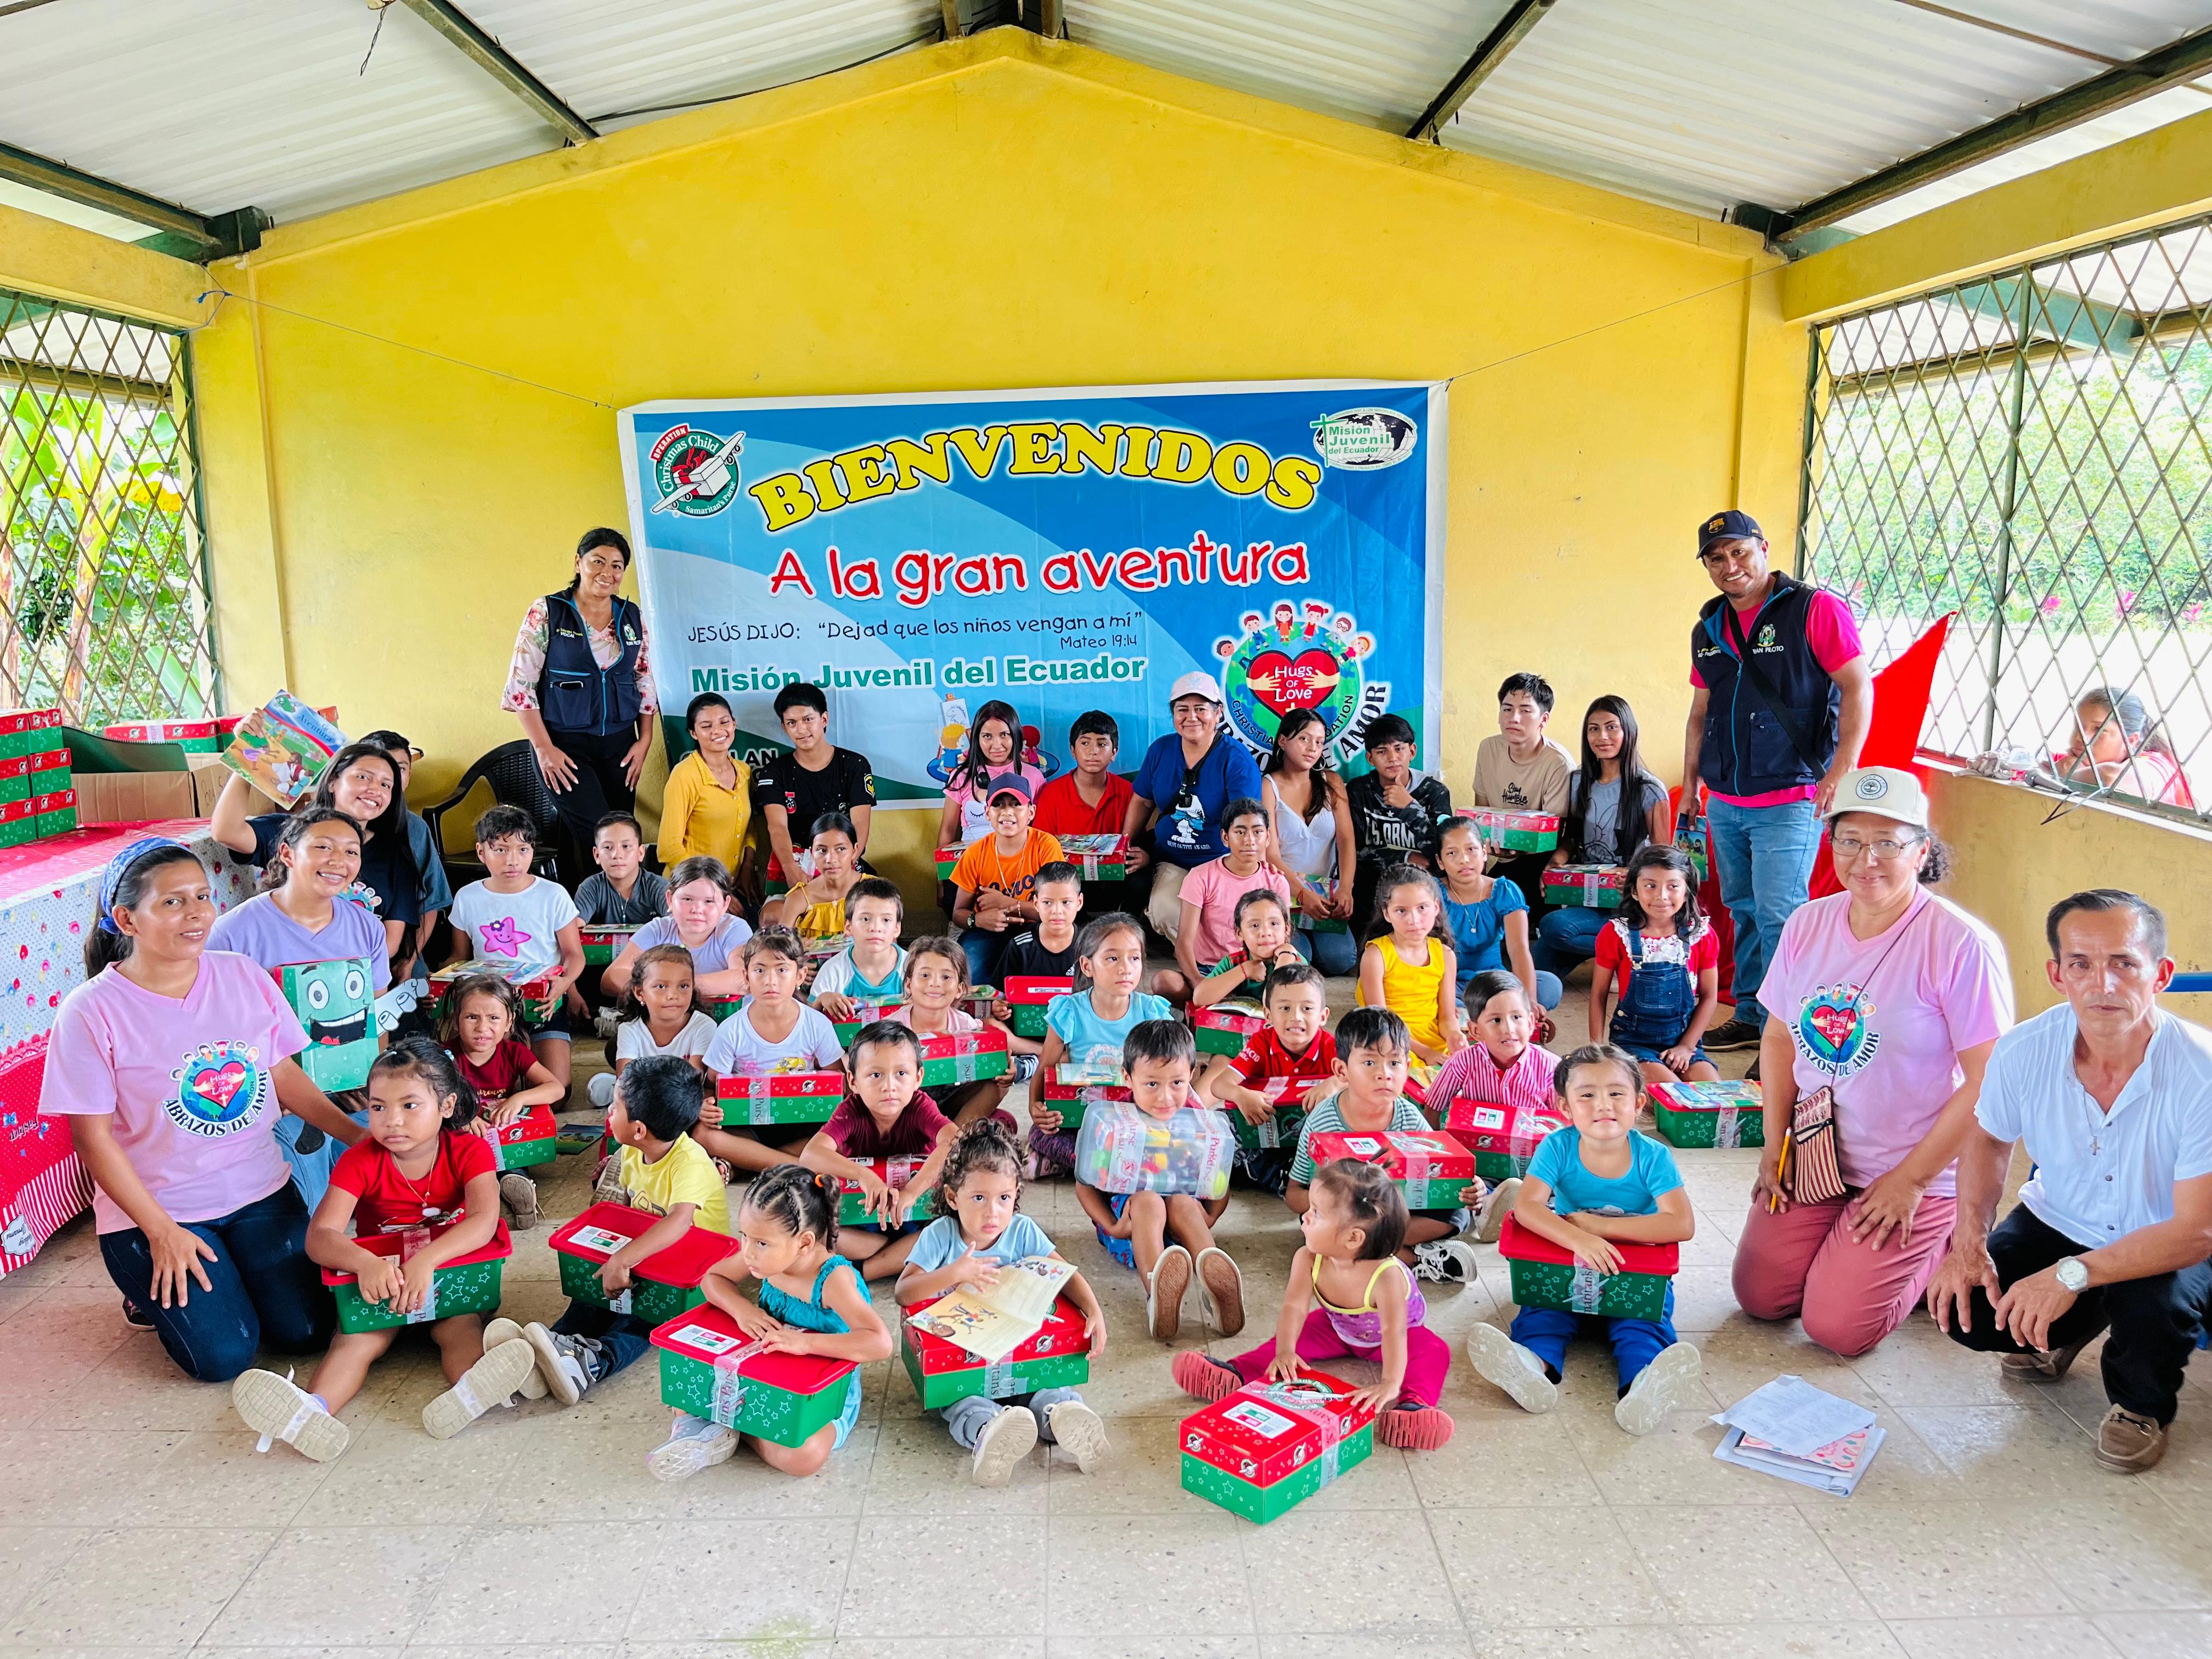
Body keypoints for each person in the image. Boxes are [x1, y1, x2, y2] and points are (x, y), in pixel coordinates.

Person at [39, 839, 364, 1381]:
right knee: (224, 1358)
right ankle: (146, 1289)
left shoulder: (241, 974)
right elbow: (92, 1140)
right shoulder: (91, 1011)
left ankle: (234, 1275)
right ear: (127, 919)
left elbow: (282, 1074)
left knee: (306, 1331)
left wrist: (357, 1136)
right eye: (172, 902)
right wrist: (161, 1232)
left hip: (260, 1191)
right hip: (160, 1211)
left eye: (202, 896)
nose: (196, 913)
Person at [1927, 891, 2212, 1474]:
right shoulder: (2024, 1049)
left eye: (2124, 963)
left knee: (2152, 1309)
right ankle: (2068, 1326)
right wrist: (1968, 1241)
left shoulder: (2202, 1072)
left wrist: (2071, 1274)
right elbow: (1988, 1138)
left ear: (2160, 974)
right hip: (2061, 1218)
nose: (2102, 983)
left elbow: (2196, 1232)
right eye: (2081, 963)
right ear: (2058, 975)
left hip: (2167, 1237)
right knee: (1972, 1307)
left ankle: (2140, 1407)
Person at [1732, 766, 2012, 1358]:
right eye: (1851, 841)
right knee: (1761, 1296)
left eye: (1888, 842)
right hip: (1819, 1152)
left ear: (1922, 852)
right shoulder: (1808, 923)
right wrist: (1775, 1145)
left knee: (1836, 1329)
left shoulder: (1959, 943)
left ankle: (1940, 1234)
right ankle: (1852, 1254)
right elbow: (1779, 1039)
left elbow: (1991, 1080)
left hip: (1912, 1164)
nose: (1868, 860)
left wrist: (1911, 1182)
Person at [230, 1039, 536, 1462]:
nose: (392, 1120)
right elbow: (320, 1236)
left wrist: (427, 1261)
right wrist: (364, 1263)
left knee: (460, 1329)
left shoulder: (469, 1149)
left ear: (447, 1106)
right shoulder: (360, 1159)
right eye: (378, 1107)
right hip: (382, 1285)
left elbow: (484, 1221)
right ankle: (310, 1413)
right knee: (355, 1342)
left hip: (446, 1277)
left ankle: (470, 1393)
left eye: (410, 1106)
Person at [1681, 510, 1872, 1052]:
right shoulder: (1709, 628)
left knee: (1780, 917)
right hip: (1725, 800)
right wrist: (1692, 784)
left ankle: (1782, 1035)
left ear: (1763, 548)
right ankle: (1750, 1013)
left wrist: (1843, 767)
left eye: (1739, 551)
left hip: (1791, 797)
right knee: (1741, 909)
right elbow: (1700, 713)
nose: (1729, 565)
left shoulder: (1813, 609)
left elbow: (1858, 686)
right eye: (1716, 558)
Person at [1464, 1043, 1705, 1436]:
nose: (1603, 1105)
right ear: (1565, 1107)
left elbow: (1681, 1224)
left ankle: (1643, 1386)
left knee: (1642, 1326)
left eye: (1616, 1093)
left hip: (1634, 1273)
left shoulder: (1653, 1156)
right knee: (1543, 1313)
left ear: (1639, 1102)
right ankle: (1531, 1367)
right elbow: (1528, 1207)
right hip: (1570, 1265)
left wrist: (1598, 1228)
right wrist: (1579, 1239)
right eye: (1587, 1095)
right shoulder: (1557, 1146)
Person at [1172, 1157, 1456, 1448]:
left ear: (1353, 1238)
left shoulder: (1387, 1276)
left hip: (1402, 1335)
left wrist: (1390, 1382)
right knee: (1294, 1339)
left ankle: (1414, 1407)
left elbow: (1393, 1331)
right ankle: (1235, 1372)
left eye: (1316, 1213)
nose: (1305, 1217)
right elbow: (1294, 1307)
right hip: (1336, 1328)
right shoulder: (1308, 1258)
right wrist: (1285, 1350)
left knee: (1435, 1351)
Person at [895, 1118, 1110, 1485]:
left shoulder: (1022, 1231)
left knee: (1046, 1390)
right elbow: (904, 1292)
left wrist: (1094, 1311)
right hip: (962, 1361)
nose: (992, 1212)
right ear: (953, 1197)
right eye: (979, 1198)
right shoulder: (941, 1236)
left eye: (1004, 1198)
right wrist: (954, 1273)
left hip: (1018, 1354)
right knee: (963, 1404)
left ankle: (1063, 1417)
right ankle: (990, 1432)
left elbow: (1065, 1275)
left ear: (1016, 1196)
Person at [656, 1163, 893, 1480]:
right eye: (744, 1236)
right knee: (682, 1396)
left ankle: (727, 1429)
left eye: (761, 1243)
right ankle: (726, 1425)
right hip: (765, 1372)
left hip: (818, 1392)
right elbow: (713, 1279)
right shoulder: (766, 1254)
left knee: (803, 1456)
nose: (748, 1252)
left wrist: (804, 1343)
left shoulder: (834, 1279)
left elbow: (879, 1342)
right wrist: (744, 1310)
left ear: (804, 1243)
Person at [520, 1056, 732, 1408]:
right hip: (655, 1258)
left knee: (642, 1318)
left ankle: (592, 1363)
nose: (609, 1112)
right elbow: (631, 1213)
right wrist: (616, 1259)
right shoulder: (633, 1151)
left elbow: (679, 1222)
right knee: (593, 1294)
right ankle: (550, 1347)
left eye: (616, 1107)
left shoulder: (690, 1162)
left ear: (639, 1130)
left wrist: (623, 1260)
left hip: (695, 1274)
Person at [207, 808, 391, 1209]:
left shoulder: (368, 927)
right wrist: (274, 1096)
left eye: (351, 851)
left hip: (353, 1092)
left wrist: (375, 1084)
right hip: (277, 1100)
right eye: (323, 847)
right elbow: (215, 1031)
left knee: (383, 1195)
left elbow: (377, 1016)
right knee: (310, 1204)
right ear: (288, 854)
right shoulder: (234, 932)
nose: (339, 861)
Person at [504, 527, 658, 879]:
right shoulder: (548, 611)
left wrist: (645, 740)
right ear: (579, 563)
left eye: (617, 566)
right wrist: (544, 749)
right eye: (598, 562)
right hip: (564, 747)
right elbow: (521, 687)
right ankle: (596, 911)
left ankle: (619, 910)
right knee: (601, 837)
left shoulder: (631, 615)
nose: (608, 572)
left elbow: (644, 679)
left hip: (621, 746)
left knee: (623, 835)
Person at [1287, 1008, 1479, 1285]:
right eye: (1370, 1062)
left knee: (1457, 1211)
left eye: (1394, 1063)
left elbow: (1442, 1169)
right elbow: (1294, 1194)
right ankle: (1415, 1259)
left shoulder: (1410, 1117)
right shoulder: (1323, 1122)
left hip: (1398, 1213)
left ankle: (1375, 1251)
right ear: (1342, 1070)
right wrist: (1331, 1203)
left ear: (1407, 1068)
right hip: (1347, 1219)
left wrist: (1470, 1187)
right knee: (1324, 1228)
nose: (1384, 1074)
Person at [1080, 1020, 1243, 1342]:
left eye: (1177, 1083)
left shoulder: (1198, 1120)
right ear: (1128, 1077)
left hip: (1182, 1222)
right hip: (1131, 1226)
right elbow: (1085, 1184)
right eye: (1152, 1084)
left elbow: (1218, 1180)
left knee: (1184, 1203)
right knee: (1149, 1201)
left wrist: (1210, 1216)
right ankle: (1158, 1293)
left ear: (1192, 1074)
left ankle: (1215, 1284)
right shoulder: (1114, 1121)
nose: (1165, 1098)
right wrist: (1111, 1226)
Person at [211, 740, 421, 974]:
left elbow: (387, 945)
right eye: (363, 777)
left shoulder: (395, 855)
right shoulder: (293, 831)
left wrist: (330, 977)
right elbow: (226, 831)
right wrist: (246, 754)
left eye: (386, 784)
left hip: (353, 981)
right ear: (332, 782)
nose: (375, 789)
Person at [444, 806, 585, 1093]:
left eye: (523, 850)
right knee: (485, 1091)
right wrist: (438, 986)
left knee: (557, 1093)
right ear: (481, 852)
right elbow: (459, 957)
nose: (513, 860)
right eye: (501, 850)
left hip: (543, 1003)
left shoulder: (553, 894)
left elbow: (573, 954)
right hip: (489, 1007)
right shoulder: (468, 897)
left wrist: (565, 984)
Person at [800, 1021, 956, 1281]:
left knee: (950, 1228)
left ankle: (866, 1271)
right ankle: (894, 1256)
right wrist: (865, 1176)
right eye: (876, 1075)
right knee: (810, 1233)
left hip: (917, 1215)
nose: (889, 1086)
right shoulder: (852, 1110)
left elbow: (955, 1142)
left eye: (901, 1074)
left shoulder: (920, 1106)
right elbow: (810, 1155)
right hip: (866, 1217)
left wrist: (912, 1192)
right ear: (853, 1081)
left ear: (918, 1078)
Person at [1122, 672, 1263, 944]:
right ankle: (1207, 956)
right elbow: (1142, 800)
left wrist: (1247, 872)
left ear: (1218, 713)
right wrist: (1125, 844)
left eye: (1201, 708)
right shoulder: (1160, 750)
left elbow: (1247, 822)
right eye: (1182, 709)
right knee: (1166, 911)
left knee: (1223, 917)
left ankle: (1215, 957)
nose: (1191, 717)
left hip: (1221, 863)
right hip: (1171, 860)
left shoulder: (1236, 759)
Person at [1028, 912, 1174, 1175]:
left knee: (1165, 1140)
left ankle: (1092, 1164)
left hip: (1136, 1116)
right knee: (1041, 1134)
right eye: (1112, 958)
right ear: (1087, 966)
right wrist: (1036, 1108)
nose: (1126, 968)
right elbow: (1045, 1068)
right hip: (1084, 1119)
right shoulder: (1070, 1011)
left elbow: (1172, 1070)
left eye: (1134, 958)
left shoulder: (1151, 1012)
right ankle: (1116, 1165)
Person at [1537, 696, 1672, 977]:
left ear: (1628, 731)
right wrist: (1557, 860)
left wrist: (1635, 876)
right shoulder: (1578, 781)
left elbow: (1664, 860)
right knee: (1537, 967)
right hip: (1587, 897)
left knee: (1555, 927)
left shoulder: (1649, 789)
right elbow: (1573, 836)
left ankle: (1641, 947)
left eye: (1612, 727)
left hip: (1629, 903)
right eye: (1594, 729)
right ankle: (1621, 954)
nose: (1602, 737)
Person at [1425, 969, 1559, 1240]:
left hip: (1532, 1165)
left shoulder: (1550, 1068)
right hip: (1480, 1165)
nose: (1508, 1029)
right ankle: (1490, 1209)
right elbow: (1433, 1110)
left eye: (1517, 1017)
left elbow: (1562, 1126)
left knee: (1556, 1185)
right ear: (1476, 1030)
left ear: (1531, 1022)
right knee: (1468, 1191)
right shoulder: (1463, 1063)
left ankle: (1522, 1207)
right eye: (1496, 1020)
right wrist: (1445, 1160)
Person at [700, 928, 847, 1174]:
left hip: (802, 1122)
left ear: (800, 975)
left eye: (781, 970)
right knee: (703, 1134)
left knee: (846, 1135)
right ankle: (798, 1166)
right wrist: (706, 1106)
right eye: (760, 970)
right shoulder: (731, 1030)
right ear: (746, 976)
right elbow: (712, 1086)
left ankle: (747, 1164)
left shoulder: (817, 1024)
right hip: (749, 1126)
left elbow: (838, 1084)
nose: (770, 980)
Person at [436, 972, 565, 1229]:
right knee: (455, 1154)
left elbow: (556, 1088)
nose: (482, 1028)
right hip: (463, 1137)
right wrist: (461, 1118)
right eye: (472, 1017)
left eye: (493, 1018)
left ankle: (516, 1187)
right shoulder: (445, 1056)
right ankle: (484, 1191)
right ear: (456, 1019)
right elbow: (431, 1101)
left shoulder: (514, 1052)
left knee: (512, 1156)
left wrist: (519, 1098)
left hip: (500, 1139)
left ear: (509, 1022)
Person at [1589, 846, 1722, 1087]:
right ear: (1634, 891)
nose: (1661, 896)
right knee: (1673, 1095)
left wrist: (1686, 1047)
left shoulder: (1702, 934)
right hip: (1634, 1043)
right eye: (1650, 885)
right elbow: (1598, 995)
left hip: (1684, 1041)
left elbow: (1710, 996)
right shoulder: (1615, 934)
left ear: (1686, 891)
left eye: (1673, 886)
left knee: (1716, 1094)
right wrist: (1598, 1052)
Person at [1205, 960, 1337, 1199]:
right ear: (1269, 1015)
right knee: (1218, 1126)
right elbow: (1219, 1085)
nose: (1296, 1018)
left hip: (1314, 1138)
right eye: (1285, 1008)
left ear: (1323, 1016)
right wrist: (1241, 1096)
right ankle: (1282, 1175)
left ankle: (1273, 1173)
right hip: (1267, 1131)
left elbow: (1361, 1079)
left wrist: (1336, 1083)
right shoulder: (1261, 1043)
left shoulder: (1332, 1047)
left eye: (1307, 1009)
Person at [1469, 673, 1575, 921]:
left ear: (1544, 719)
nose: (1514, 718)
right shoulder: (1488, 749)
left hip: (1539, 859)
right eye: (1507, 709)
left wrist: (1516, 852)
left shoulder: (1558, 763)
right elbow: (1481, 815)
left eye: (1526, 711)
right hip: (1503, 856)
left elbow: (1554, 836)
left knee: (1505, 908)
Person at [1261, 707, 1358, 975]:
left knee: (1341, 959)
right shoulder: (1268, 786)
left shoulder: (1331, 782)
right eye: (1304, 739)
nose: (1312, 748)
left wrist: (1346, 888)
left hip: (1326, 896)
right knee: (1297, 960)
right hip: (1283, 895)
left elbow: (1346, 840)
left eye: (1319, 741)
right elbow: (1271, 855)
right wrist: (1303, 894)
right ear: (1283, 741)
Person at [887, 936, 1018, 1132]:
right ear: (908, 985)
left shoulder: (967, 1025)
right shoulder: (891, 1029)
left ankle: (952, 1141)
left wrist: (1005, 1071)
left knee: (998, 1084)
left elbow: (989, 1068)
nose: (935, 983)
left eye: (946, 977)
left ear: (960, 989)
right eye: (925, 975)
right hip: (907, 1104)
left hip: (951, 1100)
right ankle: (934, 1136)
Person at [751, 681, 876, 887]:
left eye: (808, 719)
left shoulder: (855, 765)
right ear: (784, 727)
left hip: (846, 865)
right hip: (795, 868)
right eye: (792, 723)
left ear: (824, 719)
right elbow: (777, 827)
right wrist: (790, 869)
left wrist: (847, 864)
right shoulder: (774, 772)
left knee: (874, 903)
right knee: (775, 909)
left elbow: (860, 824)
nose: (801, 729)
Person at [1169, 797, 1292, 1001]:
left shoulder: (1276, 881)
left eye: (1258, 832)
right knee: (1165, 982)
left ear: (1268, 837)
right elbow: (1184, 941)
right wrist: (1199, 983)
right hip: (1210, 969)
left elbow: (1284, 937)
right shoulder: (1200, 876)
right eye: (1240, 832)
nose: (1249, 841)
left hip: (1258, 968)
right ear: (1225, 837)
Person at [357, 729, 453, 992]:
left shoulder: (415, 830)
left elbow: (431, 902)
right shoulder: (327, 826)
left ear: (409, 775)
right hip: (338, 956)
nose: (388, 778)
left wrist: (409, 961)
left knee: (418, 1003)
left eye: (399, 769)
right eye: (374, 770)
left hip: (401, 951)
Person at [1437, 816, 1560, 1015]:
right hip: (1448, 983)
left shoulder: (1504, 891)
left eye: (1471, 849)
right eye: (1452, 853)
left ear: (1484, 852)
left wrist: (1529, 999)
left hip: (1493, 982)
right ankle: (1488, 1014)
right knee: (1442, 1004)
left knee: (1550, 985)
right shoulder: (1432, 893)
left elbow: (1519, 949)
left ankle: (1480, 1015)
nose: (1464, 860)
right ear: (1440, 862)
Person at [949, 776, 1064, 986]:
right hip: (988, 930)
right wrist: (977, 920)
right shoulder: (975, 853)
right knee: (970, 976)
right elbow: (958, 913)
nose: (1007, 812)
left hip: (1037, 928)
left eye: (1016, 804)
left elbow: (1056, 910)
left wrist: (1008, 904)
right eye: (998, 805)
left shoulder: (1046, 846)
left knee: (1042, 979)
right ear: (987, 813)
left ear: (1031, 812)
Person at [1344, 713, 1453, 932]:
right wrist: (1405, 857)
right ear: (1370, 758)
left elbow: (1444, 855)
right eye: (1382, 751)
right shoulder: (1358, 790)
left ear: (1412, 751)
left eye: (1399, 749)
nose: (1392, 758)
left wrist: (1410, 808)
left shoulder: (1434, 792)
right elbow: (1353, 851)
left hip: (1421, 891)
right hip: (1372, 892)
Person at [602, 856, 753, 1003]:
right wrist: (659, 990)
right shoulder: (659, 929)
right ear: (670, 899)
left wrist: (672, 987)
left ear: (725, 905)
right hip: (668, 1016)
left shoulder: (734, 929)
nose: (697, 909)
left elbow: (743, 978)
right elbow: (611, 978)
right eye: (687, 899)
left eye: (709, 901)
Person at [587, 943, 718, 1110]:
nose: (673, 995)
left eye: (683, 986)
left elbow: (693, 1082)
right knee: (608, 1094)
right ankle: (613, 1088)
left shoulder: (704, 1026)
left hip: (679, 1097)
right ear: (639, 992)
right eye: (661, 986)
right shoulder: (629, 1029)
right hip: (645, 1094)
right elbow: (626, 1080)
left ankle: (612, 1089)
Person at [1356, 865, 1460, 1070]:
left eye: (1422, 908)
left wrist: (1454, 1035)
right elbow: (1381, 1022)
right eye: (1401, 911)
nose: (1414, 920)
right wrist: (1425, 1052)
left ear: (1436, 907)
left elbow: (1447, 1018)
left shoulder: (1446, 955)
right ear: (1387, 914)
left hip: (1433, 1039)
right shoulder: (1376, 956)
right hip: (1389, 1039)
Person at [2053, 685, 2196, 809]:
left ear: (2130, 741)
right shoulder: (2072, 761)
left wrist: (2070, 774)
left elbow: (2112, 778)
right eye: (2079, 726)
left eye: (2098, 729)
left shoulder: (2156, 764)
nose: (2080, 738)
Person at [659, 692, 755, 873]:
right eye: (706, 726)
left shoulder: (744, 772)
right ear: (693, 733)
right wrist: (709, 885)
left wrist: (748, 867)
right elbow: (668, 849)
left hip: (732, 884)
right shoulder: (684, 776)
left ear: (734, 724)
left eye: (724, 722)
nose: (718, 731)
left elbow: (748, 826)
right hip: (691, 884)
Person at [936, 699, 1043, 848]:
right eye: (987, 736)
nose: (997, 745)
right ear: (977, 738)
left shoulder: (1034, 776)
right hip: (971, 859)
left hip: (1020, 859)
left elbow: (1040, 830)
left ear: (1015, 735)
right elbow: (948, 829)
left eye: (1004, 735)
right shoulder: (962, 776)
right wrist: (943, 862)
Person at [808, 876, 908, 1023]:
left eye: (886, 920)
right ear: (848, 927)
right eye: (866, 919)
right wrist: (822, 999)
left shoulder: (912, 967)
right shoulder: (834, 971)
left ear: (897, 928)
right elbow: (809, 1017)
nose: (875, 928)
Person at [1033, 709, 1133, 840]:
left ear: (1114, 753)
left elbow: (1134, 843)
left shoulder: (1128, 793)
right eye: (1085, 743)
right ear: (1073, 751)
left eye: (1102, 744)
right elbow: (1042, 845)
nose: (1093, 751)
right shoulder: (1052, 794)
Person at [767, 811, 865, 943]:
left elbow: (888, 942)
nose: (831, 859)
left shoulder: (874, 890)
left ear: (855, 850)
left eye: (841, 849)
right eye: (822, 850)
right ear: (812, 853)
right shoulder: (799, 898)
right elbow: (782, 947)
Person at [574, 812, 669, 928]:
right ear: (597, 855)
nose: (617, 855)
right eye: (608, 847)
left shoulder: (659, 887)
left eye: (626, 846)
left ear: (641, 853)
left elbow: (678, 924)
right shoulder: (590, 888)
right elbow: (574, 928)